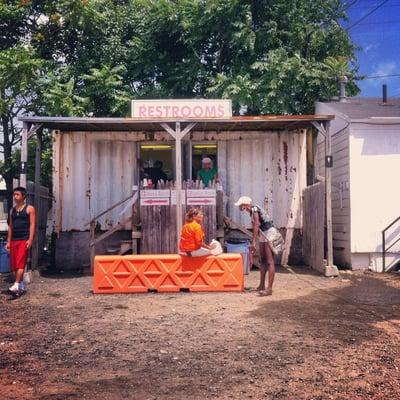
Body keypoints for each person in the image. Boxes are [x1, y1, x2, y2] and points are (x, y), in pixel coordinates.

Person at [235, 196, 275, 296]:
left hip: (269, 232)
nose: (240, 208)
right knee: (263, 261)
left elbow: (256, 225)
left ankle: (269, 289)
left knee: (269, 261)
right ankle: (262, 285)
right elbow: (256, 226)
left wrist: (253, 243)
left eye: (240, 206)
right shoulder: (252, 211)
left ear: (244, 205)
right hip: (264, 233)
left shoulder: (254, 209)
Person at [6, 187, 36, 297]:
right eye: (14, 194)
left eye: (17, 194)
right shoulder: (12, 210)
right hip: (14, 239)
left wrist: (30, 239)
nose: (15, 197)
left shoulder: (29, 209)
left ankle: (16, 284)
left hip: (24, 239)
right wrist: (8, 241)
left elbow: (32, 224)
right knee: (14, 265)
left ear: (23, 196)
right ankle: (21, 285)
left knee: (20, 263)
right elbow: (10, 227)